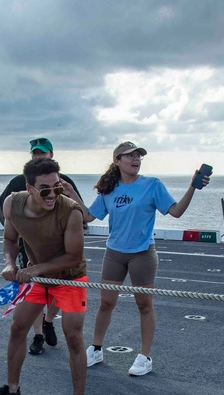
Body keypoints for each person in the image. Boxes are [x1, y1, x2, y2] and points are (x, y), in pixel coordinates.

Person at [83, 142, 209, 376]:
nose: (136, 159)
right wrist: (70, 195)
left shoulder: (152, 185)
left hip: (142, 254)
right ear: (117, 161)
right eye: (129, 155)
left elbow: (176, 212)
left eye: (138, 155)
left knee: (144, 305)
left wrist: (192, 187)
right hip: (114, 253)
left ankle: (144, 357)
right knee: (106, 303)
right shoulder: (109, 189)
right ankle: (96, 349)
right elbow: (89, 216)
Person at [0, 157, 89, 395]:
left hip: (70, 278)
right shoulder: (13, 204)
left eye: (58, 187)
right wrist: (9, 263)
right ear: (29, 188)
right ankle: (12, 390)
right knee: (18, 327)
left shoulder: (71, 211)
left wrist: (36, 269)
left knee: (73, 336)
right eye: (45, 189)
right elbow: (9, 239)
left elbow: (74, 255)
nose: (53, 195)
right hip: (38, 275)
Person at [0, 137, 85, 356]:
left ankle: (48, 320)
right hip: (31, 255)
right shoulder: (18, 182)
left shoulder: (63, 184)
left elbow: (83, 215)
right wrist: (16, 232)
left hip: (63, 260)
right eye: (35, 153)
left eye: (43, 152)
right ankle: (37, 334)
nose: (39, 156)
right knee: (27, 305)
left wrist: (70, 193)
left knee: (58, 302)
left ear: (51, 155)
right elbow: (2, 209)